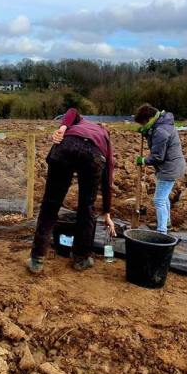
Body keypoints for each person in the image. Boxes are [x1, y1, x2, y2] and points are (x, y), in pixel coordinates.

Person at [29, 108, 116, 274]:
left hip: (65, 147)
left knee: (50, 205)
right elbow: (107, 180)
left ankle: (37, 259)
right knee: (86, 207)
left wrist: (62, 128)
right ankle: (81, 259)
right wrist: (107, 212)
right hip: (93, 155)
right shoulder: (104, 137)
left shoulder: (80, 122)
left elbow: (72, 111)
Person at [133, 103, 187, 234]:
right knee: (164, 197)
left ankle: (162, 231)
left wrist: (144, 160)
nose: (142, 126)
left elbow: (158, 157)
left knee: (159, 200)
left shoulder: (160, 131)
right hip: (173, 166)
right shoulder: (161, 125)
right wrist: (146, 133)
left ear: (148, 119)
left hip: (169, 168)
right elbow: (156, 142)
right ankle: (166, 223)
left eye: (142, 124)